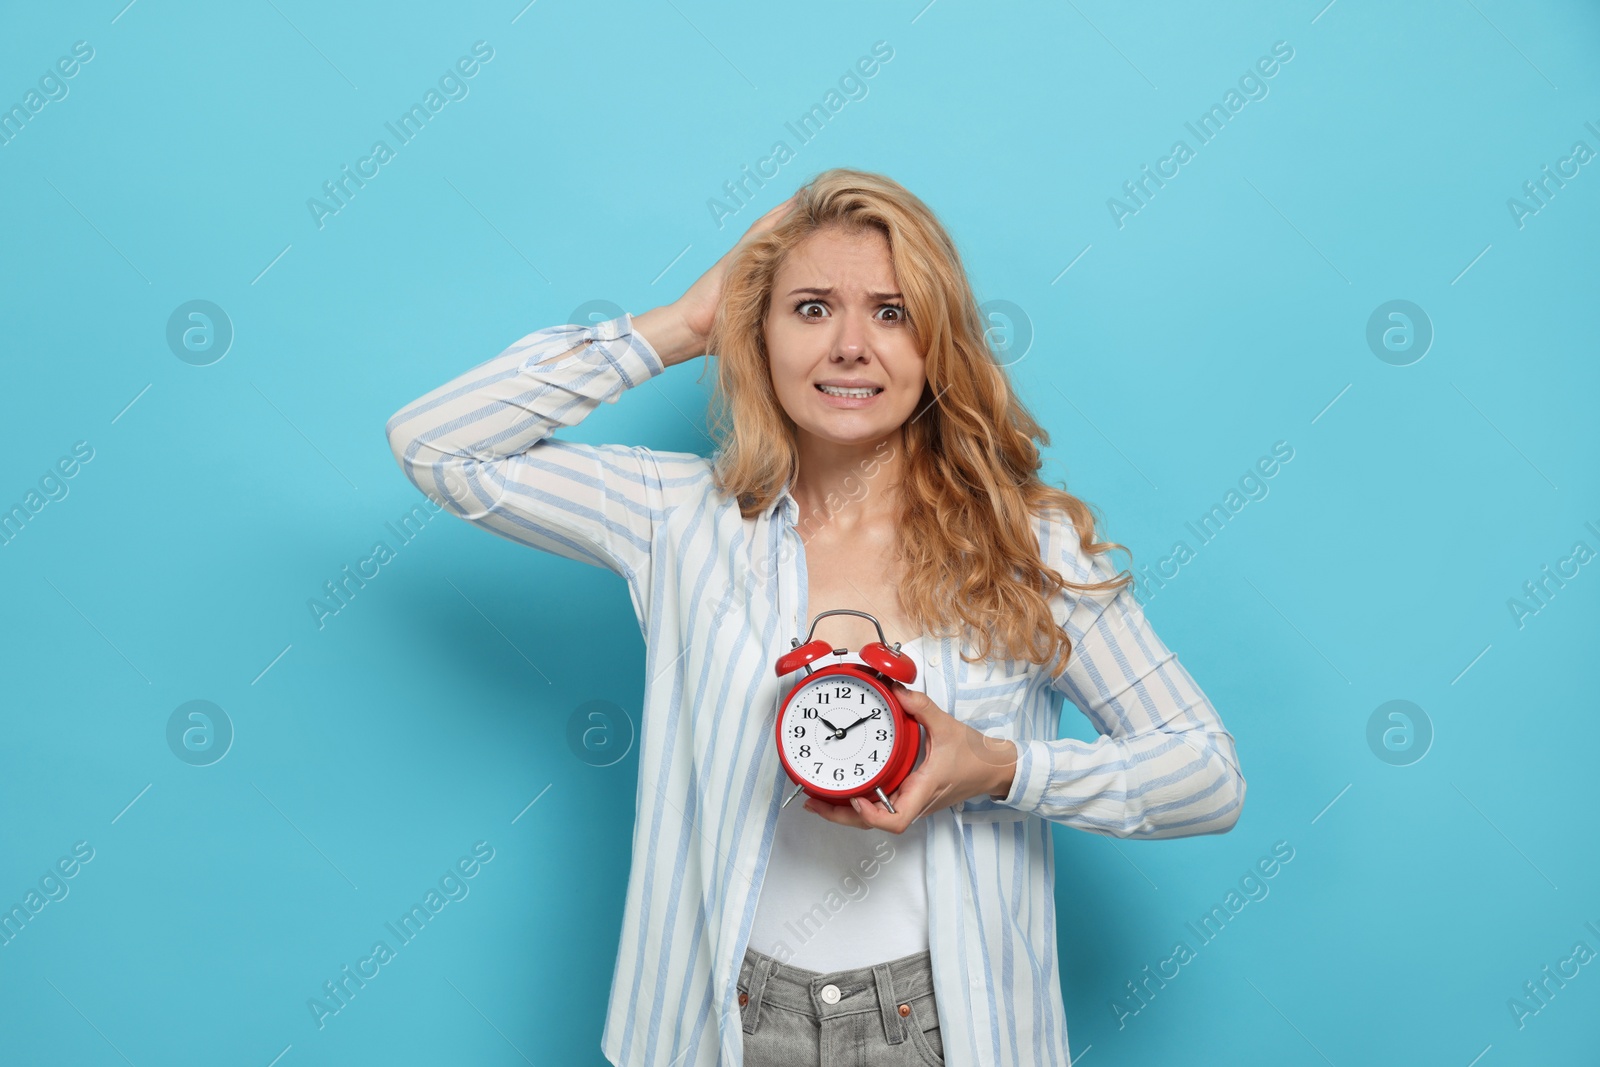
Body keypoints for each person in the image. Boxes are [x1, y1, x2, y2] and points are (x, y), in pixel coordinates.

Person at [385, 168, 1245, 1067]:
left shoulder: (1028, 546)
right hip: (720, 1019)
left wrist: (995, 767)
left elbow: (1208, 774)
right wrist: (680, 326)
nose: (849, 346)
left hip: (948, 1029)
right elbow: (438, 445)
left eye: (890, 311)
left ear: (936, 341)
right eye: (808, 308)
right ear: (757, 332)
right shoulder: (679, 518)